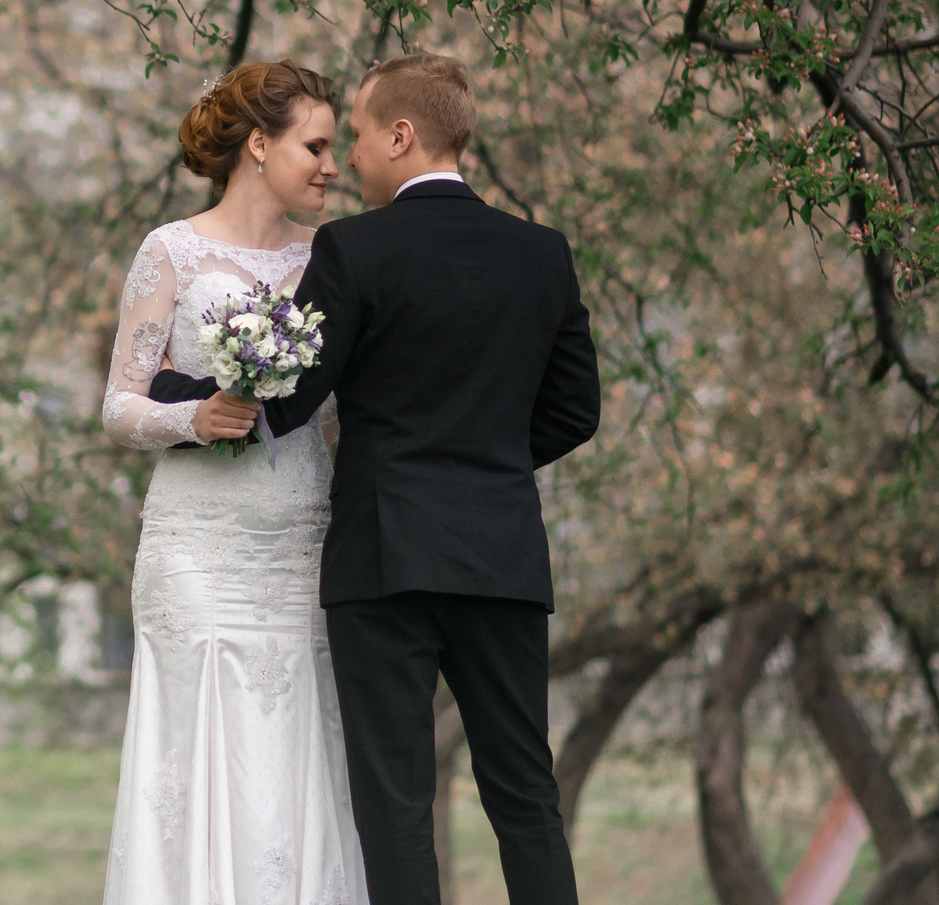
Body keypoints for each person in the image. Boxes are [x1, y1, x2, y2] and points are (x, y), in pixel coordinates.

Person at [258, 53, 601, 905]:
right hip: (503, 556)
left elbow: (295, 398)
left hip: (385, 555)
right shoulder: (541, 252)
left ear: (402, 136)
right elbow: (576, 411)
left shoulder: (353, 248)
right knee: (526, 798)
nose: (351, 160)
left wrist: (200, 398)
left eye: (363, 137)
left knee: (396, 802)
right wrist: (482, 459)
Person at [98, 59, 367, 905]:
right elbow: (117, 404)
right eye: (316, 146)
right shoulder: (170, 250)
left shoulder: (335, 255)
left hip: (298, 544)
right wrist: (195, 418)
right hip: (197, 548)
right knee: (197, 754)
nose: (334, 165)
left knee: (292, 755)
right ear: (259, 144)